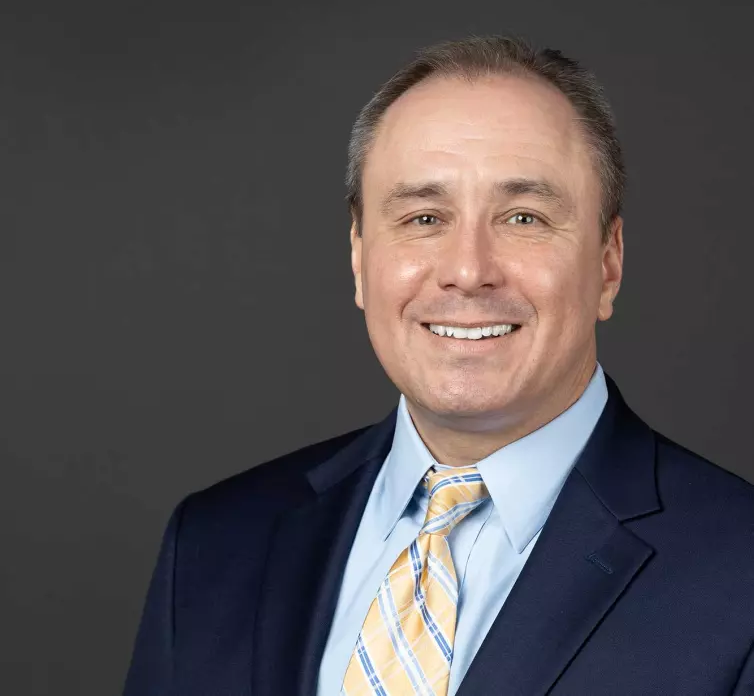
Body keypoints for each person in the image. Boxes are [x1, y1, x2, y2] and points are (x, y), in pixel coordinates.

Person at [123, 37, 754, 696]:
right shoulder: (214, 542)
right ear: (360, 257)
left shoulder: (740, 575)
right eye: (424, 217)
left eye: (523, 217)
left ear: (608, 262)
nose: (467, 271)